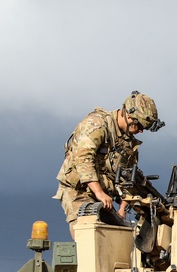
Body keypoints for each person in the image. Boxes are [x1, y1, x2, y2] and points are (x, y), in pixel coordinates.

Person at [55, 91, 165, 236]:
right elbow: (82, 158)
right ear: (128, 115)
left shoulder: (128, 142)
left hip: (104, 196)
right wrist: (99, 192)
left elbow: (127, 178)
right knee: (89, 232)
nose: (140, 131)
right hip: (79, 191)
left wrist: (122, 209)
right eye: (138, 126)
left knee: (118, 237)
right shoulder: (97, 124)